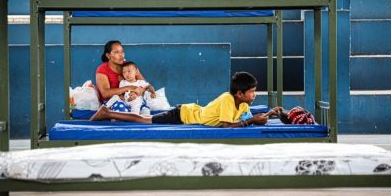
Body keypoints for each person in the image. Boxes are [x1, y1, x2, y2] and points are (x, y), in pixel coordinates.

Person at [90, 71, 277, 127]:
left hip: (189, 112)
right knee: (144, 120)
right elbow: (227, 126)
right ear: (239, 93)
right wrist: (253, 119)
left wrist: (269, 114)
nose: (254, 95)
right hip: (183, 114)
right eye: (252, 92)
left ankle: (107, 113)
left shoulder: (242, 104)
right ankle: (107, 112)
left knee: (145, 120)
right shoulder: (228, 99)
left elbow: (245, 120)